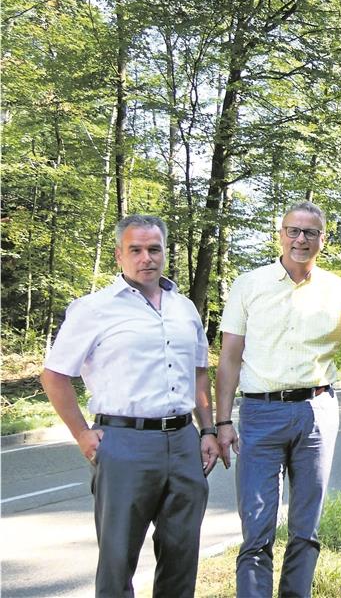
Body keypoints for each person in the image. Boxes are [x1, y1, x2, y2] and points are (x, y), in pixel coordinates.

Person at [41, 214, 220, 597]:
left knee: (181, 555)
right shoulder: (92, 309)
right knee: (118, 559)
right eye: (135, 250)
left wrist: (207, 429)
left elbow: (200, 373)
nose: (146, 258)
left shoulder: (185, 308)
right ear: (119, 255)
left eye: (154, 249)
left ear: (165, 253)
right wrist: (82, 434)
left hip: (183, 442)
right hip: (124, 442)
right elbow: (54, 376)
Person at [214, 200, 341, 598]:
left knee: (306, 528)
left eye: (310, 232)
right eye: (294, 230)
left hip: (316, 412)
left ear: (323, 239)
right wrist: (222, 423)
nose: (300, 239)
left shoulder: (339, 290)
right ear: (281, 234)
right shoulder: (249, 285)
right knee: (256, 528)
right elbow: (230, 359)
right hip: (259, 412)